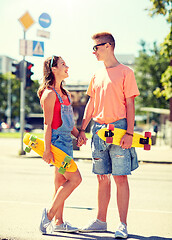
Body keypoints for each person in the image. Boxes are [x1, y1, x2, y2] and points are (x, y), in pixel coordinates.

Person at [78, 32, 140, 238]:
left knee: (120, 177)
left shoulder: (126, 72)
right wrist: (82, 128)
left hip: (120, 129)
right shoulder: (96, 75)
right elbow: (91, 104)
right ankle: (101, 221)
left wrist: (130, 132)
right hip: (98, 130)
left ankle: (123, 224)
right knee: (102, 178)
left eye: (96, 47)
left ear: (109, 46)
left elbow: (130, 105)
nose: (93, 52)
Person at [37, 56, 83, 234]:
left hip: (66, 140)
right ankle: (48, 215)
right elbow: (48, 125)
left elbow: (69, 123)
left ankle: (58, 222)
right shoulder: (49, 94)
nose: (67, 66)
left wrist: (78, 134)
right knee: (75, 179)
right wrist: (47, 150)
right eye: (63, 64)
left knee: (60, 183)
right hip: (56, 143)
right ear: (53, 69)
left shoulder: (65, 94)